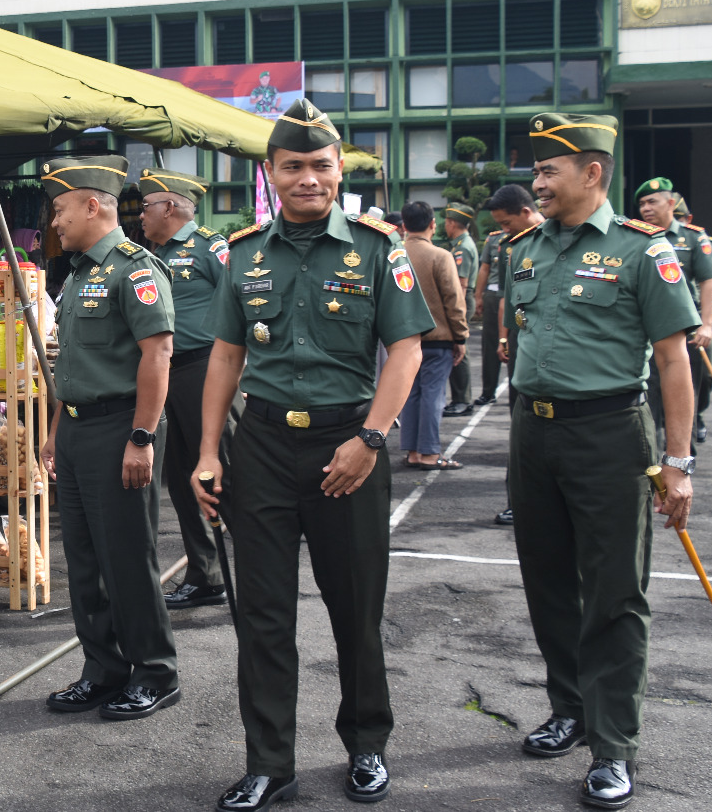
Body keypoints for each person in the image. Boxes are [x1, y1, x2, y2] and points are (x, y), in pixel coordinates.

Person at [194, 99, 433, 811]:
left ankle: (366, 747)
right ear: (270, 172)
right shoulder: (242, 255)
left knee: (354, 608)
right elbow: (226, 357)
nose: (307, 178)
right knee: (263, 615)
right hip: (261, 445)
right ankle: (270, 762)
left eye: (320, 166)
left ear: (338, 172)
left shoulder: (375, 247)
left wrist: (371, 437)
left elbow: (407, 349)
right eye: (292, 166)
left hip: (348, 444)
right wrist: (208, 450)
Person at [503, 114, 698, 810]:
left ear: (592, 172)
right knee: (548, 581)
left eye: (548, 171)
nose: (537, 183)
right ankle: (570, 707)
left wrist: (678, 462)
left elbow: (674, 360)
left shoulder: (645, 252)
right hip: (533, 434)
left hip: (610, 435)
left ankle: (613, 745)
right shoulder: (522, 248)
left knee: (614, 594)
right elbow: (513, 337)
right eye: (536, 171)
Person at [37, 154, 180, 722]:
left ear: (92, 205)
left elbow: (158, 355)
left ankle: (155, 672)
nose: (55, 222)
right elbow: (70, 363)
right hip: (75, 430)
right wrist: (54, 432)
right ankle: (103, 669)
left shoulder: (135, 270)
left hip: (121, 429)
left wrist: (141, 437)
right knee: (84, 560)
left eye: (60, 209)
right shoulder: (77, 273)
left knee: (126, 559)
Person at [136, 167, 232, 610]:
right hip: (169, 373)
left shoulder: (211, 247)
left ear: (169, 207)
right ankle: (206, 573)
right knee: (179, 478)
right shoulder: (149, 255)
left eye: (146, 206)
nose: (140, 215)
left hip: (206, 371)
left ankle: (253, 572)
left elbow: (247, 307)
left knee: (223, 474)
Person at [636, 177, 712, 457]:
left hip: (686, 326)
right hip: (647, 326)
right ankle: (650, 452)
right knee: (649, 390)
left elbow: (710, 281)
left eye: (652, 201)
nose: (646, 208)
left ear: (671, 203)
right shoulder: (637, 238)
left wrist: (707, 325)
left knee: (688, 390)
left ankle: (683, 454)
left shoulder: (694, 237)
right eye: (642, 203)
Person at [484, 184, 542, 526]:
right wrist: (504, 338)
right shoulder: (516, 248)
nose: (504, 231)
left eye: (507, 223)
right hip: (523, 354)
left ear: (525, 212)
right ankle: (518, 501)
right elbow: (509, 297)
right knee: (521, 432)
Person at [398, 201, 468, 470]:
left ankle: (413, 451)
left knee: (411, 394)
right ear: (432, 224)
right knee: (433, 396)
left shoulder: (394, 255)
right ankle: (428, 453)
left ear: (404, 225)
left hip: (403, 339)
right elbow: (454, 300)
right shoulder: (441, 256)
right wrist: (460, 337)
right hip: (437, 338)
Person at [674, 195, 712, 442]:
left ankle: (697, 414)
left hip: (692, 317)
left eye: (677, 217)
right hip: (663, 318)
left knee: (703, 375)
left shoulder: (699, 239)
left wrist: (707, 322)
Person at [442, 203, 479, 416]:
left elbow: (462, 284)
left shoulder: (462, 247)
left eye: (447, 222)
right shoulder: (460, 244)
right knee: (457, 350)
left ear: (452, 223)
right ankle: (460, 398)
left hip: (463, 300)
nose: (445, 226)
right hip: (463, 300)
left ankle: (462, 400)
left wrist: (458, 312)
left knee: (459, 350)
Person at [473, 221, 509, 406]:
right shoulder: (494, 239)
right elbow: (484, 268)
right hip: (494, 294)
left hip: (518, 295)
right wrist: (478, 296)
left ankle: (518, 393)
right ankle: (488, 392)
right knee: (490, 345)